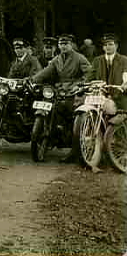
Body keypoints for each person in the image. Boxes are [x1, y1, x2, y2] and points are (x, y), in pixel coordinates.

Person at [31, 33, 92, 163]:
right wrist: (32, 80)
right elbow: (45, 72)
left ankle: (74, 150)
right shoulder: (57, 59)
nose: (63, 46)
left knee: (75, 120)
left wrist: (81, 84)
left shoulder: (80, 58)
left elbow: (89, 73)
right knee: (52, 110)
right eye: (61, 44)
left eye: (66, 44)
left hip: (75, 92)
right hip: (60, 91)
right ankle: (49, 136)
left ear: (71, 45)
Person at [87, 33, 127, 108]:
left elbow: (126, 74)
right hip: (100, 97)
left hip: (118, 97)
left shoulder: (124, 60)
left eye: (110, 44)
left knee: (122, 115)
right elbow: (90, 77)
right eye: (105, 45)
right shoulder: (97, 60)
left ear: (116, 46)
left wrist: (125, 84)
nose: (107, 47)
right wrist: (87, 85)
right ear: (103, 47)